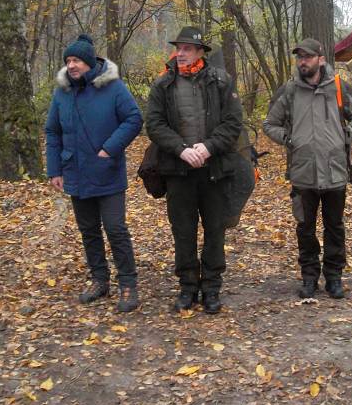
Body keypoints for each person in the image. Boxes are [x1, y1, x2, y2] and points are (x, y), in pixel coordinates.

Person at [145, 26, 243, 314]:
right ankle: (187, 287)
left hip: (215, 170)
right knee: (183, 231)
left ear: (201, 52)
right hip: (178, 171)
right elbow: (154, 125)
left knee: (215, 230)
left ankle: (211, 288)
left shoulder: (221, 81)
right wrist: (181, 149)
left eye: (187, 48)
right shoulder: (163, 84)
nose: (181, 53)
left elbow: (233, 123)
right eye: (179, 48)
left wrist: (208, 147)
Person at [45, 35, 143, 312]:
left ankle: (128, 284)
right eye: (68, 60)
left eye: (76, 60)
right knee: (88, 230)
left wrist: (110, 148)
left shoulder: (113, 87)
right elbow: (53, 131)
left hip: (107, 171)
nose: (71, 65)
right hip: (75, 172)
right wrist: (55, 169)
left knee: (115, 228)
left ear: (89, 62)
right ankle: (100, 280)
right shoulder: (62, 92)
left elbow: (134, 118)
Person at [263, 38, 352, 299]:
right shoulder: (289, 90)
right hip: (302, 172)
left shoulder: (339, 87)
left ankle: (334, 278)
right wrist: (289, 140)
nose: (303, 62)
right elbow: (270, 124)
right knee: (305, 228)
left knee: (335, 228)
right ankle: (309, 277)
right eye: (300, 57)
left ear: (320, 59)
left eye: (308, 57)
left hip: (335, 172)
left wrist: (344, 136)